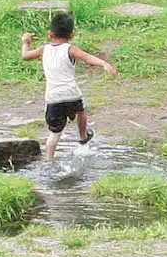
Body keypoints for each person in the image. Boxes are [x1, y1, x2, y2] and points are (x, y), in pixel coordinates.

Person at [21, 10, 117, 159]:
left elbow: (25, 56)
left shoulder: (43, 49)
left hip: (54, 98)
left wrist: (25, 42)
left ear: (50, 34)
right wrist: (104, 64)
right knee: (81, 112)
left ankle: (49, 161)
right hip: (72, 94)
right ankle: (83, 136)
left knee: (54, 134)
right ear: (72, 34)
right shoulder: (70, 49)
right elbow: (87, 58)